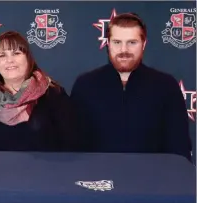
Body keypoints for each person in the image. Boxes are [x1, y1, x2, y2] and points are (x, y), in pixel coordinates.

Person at [70, 13, 192, 161]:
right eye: (117, 42)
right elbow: (73, 147)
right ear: (108, 43)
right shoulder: (85, 85)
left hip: (151, 181)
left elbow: (179, 149)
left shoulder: (166, 86)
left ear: (144, 44)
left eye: (132, 42)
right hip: (97, 180)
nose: (124, 50)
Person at [0, 31, 80, 151]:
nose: (10, 60)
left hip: (44, 170)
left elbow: (73, 143)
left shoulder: (53, 95)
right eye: (2, 55)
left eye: (16, 53)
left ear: (28, 59)